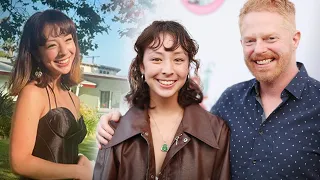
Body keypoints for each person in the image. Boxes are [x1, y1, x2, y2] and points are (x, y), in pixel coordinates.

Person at [96, 0, 320, 179]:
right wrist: (117, 123)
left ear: (295, 39)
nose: (259, 49)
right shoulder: (230, 100)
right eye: (250, 40)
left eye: (270, 38)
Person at [93, 20, 230, 180]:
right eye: (157, 59)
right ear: (142, 66)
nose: (167, 70)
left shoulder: (217, 131)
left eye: (178, 60)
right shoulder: (115, 131)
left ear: (188, 67)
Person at [8, 9, 93, 180]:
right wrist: (78, 172)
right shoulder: (33, 93)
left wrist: (80, 160)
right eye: (52, 45)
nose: (64, 51)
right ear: (36, 53)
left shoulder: (73, 98)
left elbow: (61, 147)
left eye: (68, 40)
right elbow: (19, 162)